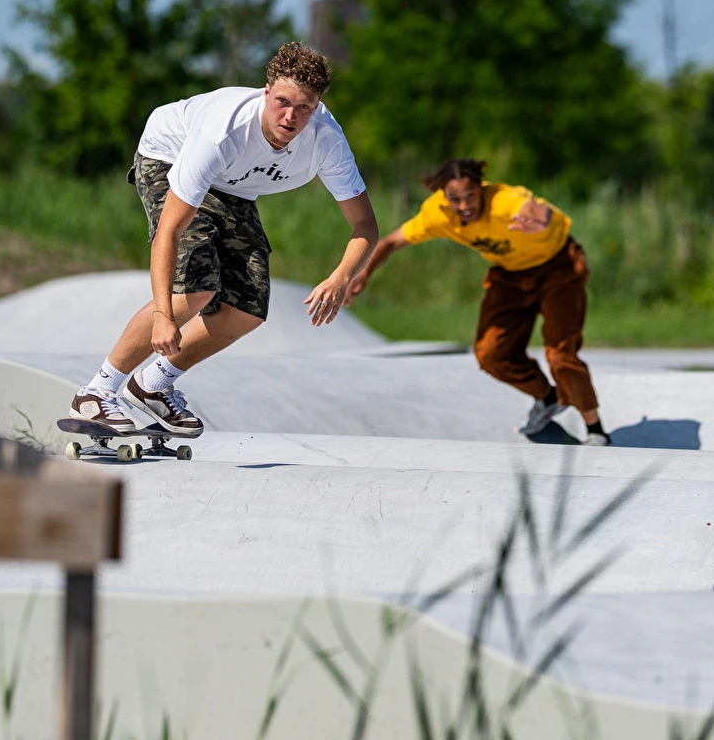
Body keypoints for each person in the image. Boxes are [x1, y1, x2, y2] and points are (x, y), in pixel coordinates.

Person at [70, 42, 378, 435]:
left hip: (235, 185)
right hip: (170, 157)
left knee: (247, 308)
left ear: (317, 107)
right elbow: (170, 231)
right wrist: (165, 316)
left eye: (304, 107)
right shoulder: (222, 133)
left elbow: (365, 225)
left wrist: (341, 277)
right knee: (195, 289)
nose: (290, 117)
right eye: (282, 102)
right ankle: (96, 391)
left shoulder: (327, 141)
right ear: (266, 93)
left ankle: (152, 386)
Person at [345, 158, 610, 446]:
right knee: (491, 355)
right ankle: (547, 397)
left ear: (481, 189)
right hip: (509, 276)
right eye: (455, 198)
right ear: (444, 197)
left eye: (471, 195)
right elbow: (393, 241)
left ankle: (596, 431)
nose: (464, 205)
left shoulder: (506, 201)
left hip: (558, 269)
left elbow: (541, 212)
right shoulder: (438, 213)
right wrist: (363, 273)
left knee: (561, 354)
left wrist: (536, 221)